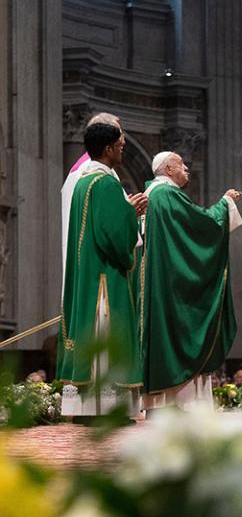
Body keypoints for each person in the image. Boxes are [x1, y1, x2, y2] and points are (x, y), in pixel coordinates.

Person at [141, 151, 242, 412]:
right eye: (182, 164)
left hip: (161, 281)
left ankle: (162, 404)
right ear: (168, 168)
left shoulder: (152, 195)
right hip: (173, 285)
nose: (187, 168)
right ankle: (183, 404)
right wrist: (225, 203)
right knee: (183, 332)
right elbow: (202, 226)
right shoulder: (167, 195)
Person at [57, 122, 144, 419]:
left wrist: (124, 213)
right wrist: (131, 214)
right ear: (107, 149)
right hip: (104, 277)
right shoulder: (105, 183)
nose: (122, 151)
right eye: (120, 146)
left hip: (87, 274)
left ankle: (86, 408)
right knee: (106, 331)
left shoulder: (83, 182)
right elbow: (111, 236)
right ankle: (107, 409)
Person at [61, 112, 147, 284]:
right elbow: (109, 232)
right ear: (107, 142)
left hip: (88, 262)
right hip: (102, 270)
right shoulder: (101, 178)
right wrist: (129, 213)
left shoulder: (86, 173)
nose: (123, 141)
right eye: (119, 134)